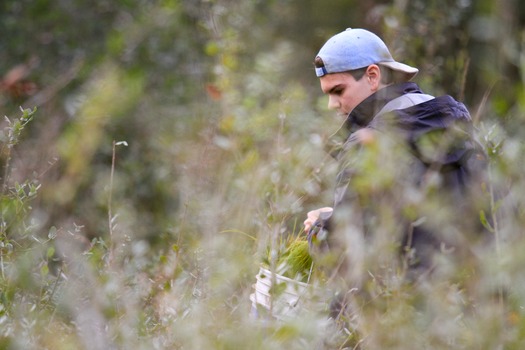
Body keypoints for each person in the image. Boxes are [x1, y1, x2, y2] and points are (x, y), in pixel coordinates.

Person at [303, 28, 487, 321]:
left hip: (396, 316)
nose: (332, 105)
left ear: (373, 76)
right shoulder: (459, 129)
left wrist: (318, 228)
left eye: (338, 91)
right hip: (467, 312)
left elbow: (346, 254)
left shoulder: (368, 143)